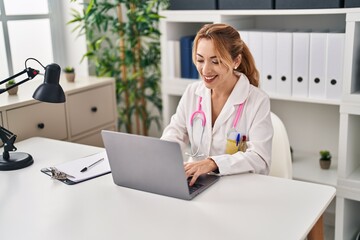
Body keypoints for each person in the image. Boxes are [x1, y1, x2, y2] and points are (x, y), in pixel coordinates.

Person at [161, 23, 273, 186]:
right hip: (196, 182)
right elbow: (175, 133)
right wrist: (162, 155)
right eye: (200, 60)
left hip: (236, 187)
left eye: (215, 61)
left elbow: (260, 159)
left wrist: (213, 163)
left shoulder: (257, 100)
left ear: (236, 61)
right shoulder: (192, 92)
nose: (205, 70)